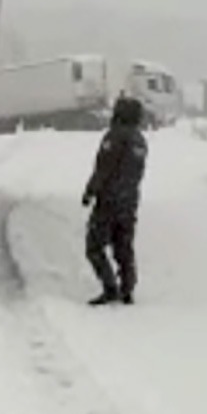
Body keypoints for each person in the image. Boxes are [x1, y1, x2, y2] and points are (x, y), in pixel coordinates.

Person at [81, 96, 148, 305]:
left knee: (94, 246)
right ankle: (128, 288)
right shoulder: (140, 140)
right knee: (123, 245)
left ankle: (110, 288)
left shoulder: (115, 136)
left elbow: (103, 168)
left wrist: (90, 191)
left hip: (109, 200)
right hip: (130, 200)